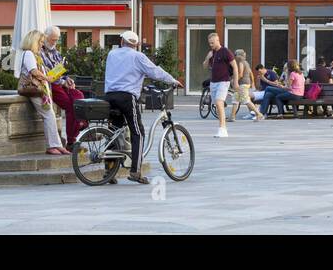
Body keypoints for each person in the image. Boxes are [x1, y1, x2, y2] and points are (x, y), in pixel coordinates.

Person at [102, 30, 184, 185]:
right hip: (126, 97)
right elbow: (155, 71)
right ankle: (135, 171)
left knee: (114, 132)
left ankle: (109, 171)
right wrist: (172, 80)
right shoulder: (138, 56)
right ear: (137, 44)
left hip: (109, 96)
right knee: (138, 132)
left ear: (121, 42)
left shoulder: (112, 54)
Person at [17, 30, 66, 156]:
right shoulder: (28, 54)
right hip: (34, 90)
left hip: (41, 90)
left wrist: (55, 74)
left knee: (50, 115)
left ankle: (58, 145)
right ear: (33, 42)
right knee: (48, 115)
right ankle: (53, 146)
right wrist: (47, 78)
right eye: (40, 42)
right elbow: (33, 71)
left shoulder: (36, 55)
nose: (41, 45)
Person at [40, 26, 84, 149]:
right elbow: (48, 74)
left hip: (60, 83)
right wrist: (62, 81)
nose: (54, 42)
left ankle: (82, 124)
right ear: (45, 37)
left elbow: (61, 71)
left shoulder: (56, 52)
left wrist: (67, 79)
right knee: (71, 106)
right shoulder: (40, 52)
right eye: (52, 40)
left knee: (79, 96)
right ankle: (72, 139)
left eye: (56, 40)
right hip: (50, 85)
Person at [203, 32, 238, 138]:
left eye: (212, 43)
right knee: (217, 106)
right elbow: (204, 66)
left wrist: (235, 81)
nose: (211, 45)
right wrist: (207, 58)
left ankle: (222, 129)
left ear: (218, 40)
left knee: (219, 102)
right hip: (214, 82)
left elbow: (235, 66)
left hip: (224, 81)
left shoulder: (225, 51)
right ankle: (222, 127)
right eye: (210, 43)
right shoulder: (212, 53)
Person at [231, 49, 265, 121]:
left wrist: (234, 80)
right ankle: (232, 117)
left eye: (236, 55)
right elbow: (250, 73)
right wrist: (252, 83)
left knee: (246, 100)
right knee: (235, 99)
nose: (235, 57)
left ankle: (259, 114)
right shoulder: (246, 62)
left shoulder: (241, 63)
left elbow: (240, 74)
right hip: (245, 83)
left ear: (239, 56)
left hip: (242, 84)